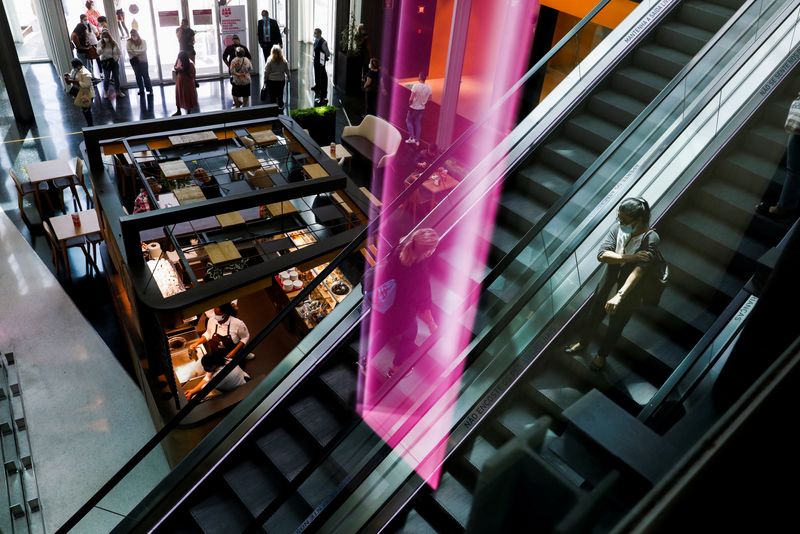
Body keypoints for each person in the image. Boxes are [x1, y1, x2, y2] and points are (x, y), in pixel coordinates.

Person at [563, 198, 661, 371]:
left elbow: (639, 271)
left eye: (625, 219)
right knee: (593, 317)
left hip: (629, 292)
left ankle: (601, 356)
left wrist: (620, 296)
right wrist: (630, 257)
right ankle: (583, 343)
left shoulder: (651, 238)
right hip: (607, 284)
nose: (620, 222)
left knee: (615, 327)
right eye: (619, 218)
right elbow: (602, 255)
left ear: (638, 219)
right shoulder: (618, 229)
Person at [371, 228, 440, 379]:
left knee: (385, 332)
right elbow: (424, 301)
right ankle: (395, 370)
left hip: (384, 302)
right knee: (409, 336)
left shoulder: (400, 249)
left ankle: (365, 360)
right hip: (400, 311)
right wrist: (431, 324)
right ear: (428, 252)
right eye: (434, 247)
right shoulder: (419, 272)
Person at [187, 303, 251, 364]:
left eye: (218, 315)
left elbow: (245, 337)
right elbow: (208, 333)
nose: (216, 317)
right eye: (215, 314)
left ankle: (244, 354)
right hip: (217, 354)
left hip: (233, 354)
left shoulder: (238, 323)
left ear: (226, 313)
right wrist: (197, 343)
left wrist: (234, 352)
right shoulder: (212, 319)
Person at [183, 350, 250, 400]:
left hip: (240, 389)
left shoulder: (220, 376)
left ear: (214, 366)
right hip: (242, 378)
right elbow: (208, 377)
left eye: (206, 367)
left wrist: (193, 394)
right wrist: (192, 391)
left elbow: (205, 388)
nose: (205, 369)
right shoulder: (225, 360)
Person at [64, 59, 95, 126]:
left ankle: (90, 125)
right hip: (80, 92)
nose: (73, 68)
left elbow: (87, 85)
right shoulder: (75, 70)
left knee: (86, 110)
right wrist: (68, 76)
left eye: (74, 66)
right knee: (84, 109)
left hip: (87, 93)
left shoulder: (86, 73)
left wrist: (76, 82)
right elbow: (73, 76)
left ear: (79, 65)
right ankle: (89, 123)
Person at [405, 72, 432, 146]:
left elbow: (411, 98)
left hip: (413, 107)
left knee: (408, 121)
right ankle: (417, 141)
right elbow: (430, 99)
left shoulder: (415, 86)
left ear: (419, 77)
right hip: (421, 108)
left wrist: (409, 104)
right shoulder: (429, 87)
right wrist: (423, 101)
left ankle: (412, 138)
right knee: (418, 123)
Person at [98, 29, 125, 97]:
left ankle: (118, 91)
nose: (106, 38)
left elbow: (119, 52)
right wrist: (102, 47)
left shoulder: (113, 42)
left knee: (116, 77)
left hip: (114, 62)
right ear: (102, 37)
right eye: (104, 37)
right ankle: (105, 92)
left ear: (109, 36)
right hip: (106, 62)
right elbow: (98, 53)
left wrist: (116, 59)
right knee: (106, 78)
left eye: (107, 36)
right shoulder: (100, 43)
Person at [126, 29, 152, 96]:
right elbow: (129, 51)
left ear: (137, 33)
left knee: (145, 76)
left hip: (143, 61)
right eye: (132, 34)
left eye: (134, 33)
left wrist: (134, 52)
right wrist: (138, 52)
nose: (133, 35)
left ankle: (150, 90)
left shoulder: (143, 41)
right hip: (134, 62)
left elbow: (144, 50)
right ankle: (141, 90)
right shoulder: (128, 42)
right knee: (138, 76)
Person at [264, 45, 290, 111]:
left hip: (271, 80)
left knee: (272, 95)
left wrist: (265, 80)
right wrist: (289, 78)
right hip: (281, 80)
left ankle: (273, 108)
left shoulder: (269, 60)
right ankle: (281, 106)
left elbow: (266, 71)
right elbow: (287, 71)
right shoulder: (284, 61)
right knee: (280, 93)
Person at [173, 50, 198, 116]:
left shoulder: (190, 64)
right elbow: (175, 66)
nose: (179, 59)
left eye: (181, 58)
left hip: (187, 83)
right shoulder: (179, 60)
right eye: (179, 58)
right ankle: (178, 111)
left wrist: (183, 70)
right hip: (179, 81)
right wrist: (177, 68)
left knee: (186, 96)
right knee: (178, 95)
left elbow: (193, 74)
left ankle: (188, 112)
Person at [311, 28, 331, 105]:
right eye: (314, 33)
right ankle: (317, 85)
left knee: (322, 74)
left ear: (319, 33)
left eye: (315, 33)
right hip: (316, 59)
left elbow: (328, 53)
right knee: (316, 73)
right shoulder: (316, 40)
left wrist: (323, 57)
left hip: (321, 60)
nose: (314, 34)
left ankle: (323, 90)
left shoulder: (323, 42)